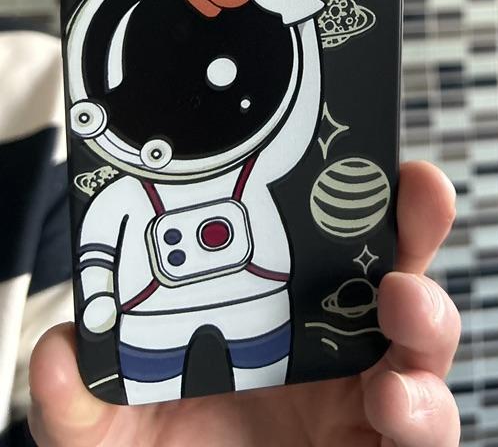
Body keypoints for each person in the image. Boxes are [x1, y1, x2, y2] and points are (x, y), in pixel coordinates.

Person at [28, 159, 461, 447]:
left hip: (256, 310)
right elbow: (97, 245)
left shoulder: (248, 173)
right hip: (153, 318)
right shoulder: (112, 182)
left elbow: (297, 118)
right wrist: (99, 293)